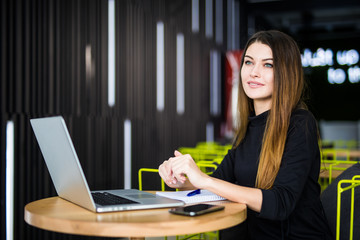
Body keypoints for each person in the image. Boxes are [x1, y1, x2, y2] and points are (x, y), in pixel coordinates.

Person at [158, 30, 333, 239]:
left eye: (268, 64)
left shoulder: (301, 123)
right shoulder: (248, 128)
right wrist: (182, 180)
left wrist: (203, 180)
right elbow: (218, 183)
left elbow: (280, 203)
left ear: (287, 73)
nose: (254, 72)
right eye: (249, 62)